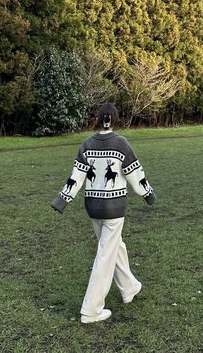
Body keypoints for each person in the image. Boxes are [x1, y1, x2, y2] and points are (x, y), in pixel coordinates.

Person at [51, 103, 156, 324]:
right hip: (114, 208)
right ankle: (91, 310)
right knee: (105, 256)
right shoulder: (121, 144)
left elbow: (76, 177)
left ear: (97, 119)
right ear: (116, 120)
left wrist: (62, 199)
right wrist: (148, 194)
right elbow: (135, 174)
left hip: (93, 208)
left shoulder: (86, 145)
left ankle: (129, 287)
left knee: (114, 247)